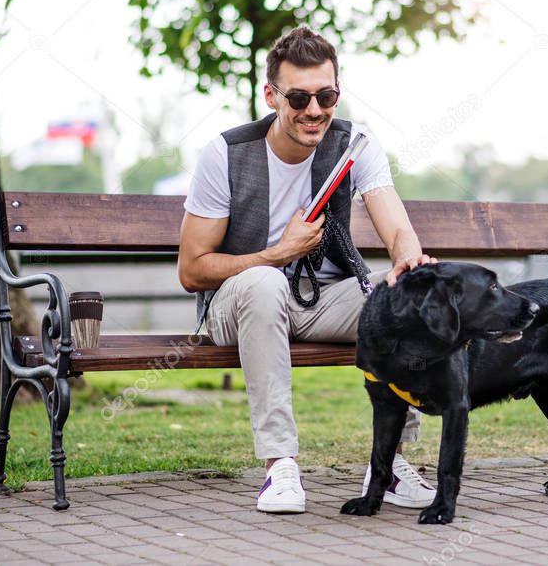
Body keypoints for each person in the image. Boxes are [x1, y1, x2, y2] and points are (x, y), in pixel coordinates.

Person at [178, 26, 437, 514]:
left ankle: (389, 465)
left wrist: (410, 262)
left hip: (320, 299)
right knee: (263, 282)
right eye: (299, 97)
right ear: (272, 95)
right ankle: (280, 467)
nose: (314, 110)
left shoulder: (356, 143)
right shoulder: (226, 154)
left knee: (405, 297)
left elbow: (396, 228)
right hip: (237, 303)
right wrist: (275, 254)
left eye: (326, 95)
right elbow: (192, 270)